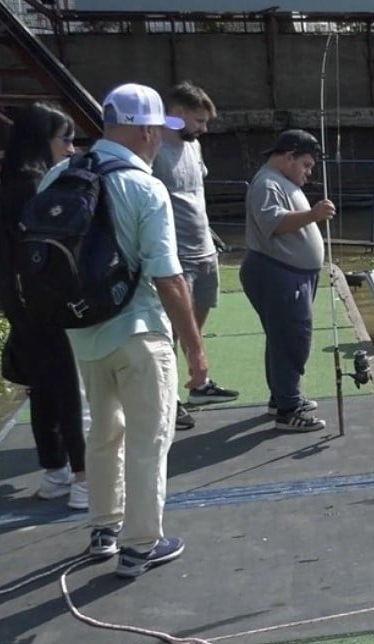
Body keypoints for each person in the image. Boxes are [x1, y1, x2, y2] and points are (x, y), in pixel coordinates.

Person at [40, 82, 210, 577]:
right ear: (146, 131)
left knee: (103, 431)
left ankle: (104, 528)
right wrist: (196, 352)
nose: (160, 138)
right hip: (139, 331)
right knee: (147, 441)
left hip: (83, 331)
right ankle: (140, 546)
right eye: (158, 130)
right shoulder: (145, 187)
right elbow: (169, 279)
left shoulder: (58, 174)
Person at [0, 103, 90, 509]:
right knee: (70, 389)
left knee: (44, 388)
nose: (71, 149)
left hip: (19, 301)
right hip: (49, 300)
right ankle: (85, 479)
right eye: (65, 140)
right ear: (41, 141)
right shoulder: (40, 186)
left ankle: (56, 472)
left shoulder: (11, 184)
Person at [151, 81, 238, 430]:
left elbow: (194, 192)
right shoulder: (154, 147)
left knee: (194, 327)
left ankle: (198, 385)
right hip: (176, 255)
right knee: (171, 331)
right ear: (177, 113)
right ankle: (167, 400)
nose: (204, 128)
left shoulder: (194, 145)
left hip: (204, 249)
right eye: (199, 121)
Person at [241, 129, 335, 432]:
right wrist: (313, 215)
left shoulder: (281, 181)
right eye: (306, 165)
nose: (309, 172)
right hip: (277, 272)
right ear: (289, 157)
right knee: (291, 339)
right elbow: (274, 222)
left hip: (292, 272)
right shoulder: (267, 183)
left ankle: (282, 396)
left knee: (282, 338)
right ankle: (288, 410)